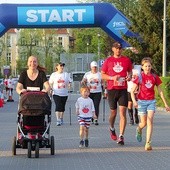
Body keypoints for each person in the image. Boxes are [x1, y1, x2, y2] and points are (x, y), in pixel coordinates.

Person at [131, 57, 170, 151]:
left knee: (150, 121)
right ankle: (139, 129)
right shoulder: (140, 77)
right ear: (142, 67)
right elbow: (132, 91)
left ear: (151, 66)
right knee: (143, 123)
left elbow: (160, 91)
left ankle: (148, 142)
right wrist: (134, 101)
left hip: (151, 101)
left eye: (149, 66)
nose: (148, 68)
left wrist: (166, 104)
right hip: (141, 101)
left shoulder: (154, 76)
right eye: (146, 66)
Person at [101, 42, 132, 145]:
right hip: (112, 89)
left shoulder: (126, 60)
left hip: (123, 89)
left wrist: (129, 76)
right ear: (113, 49)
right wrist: (112, 78)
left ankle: (121, 136)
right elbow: (102, 75)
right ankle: (112, 127)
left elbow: (130, 72)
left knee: (122, 112)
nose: (118, 50)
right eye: (116, 48)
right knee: (113, 113)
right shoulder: (108, 60)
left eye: (120, 48)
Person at [16, 55, 51, 126]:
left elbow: (47, 86)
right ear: (27, 63)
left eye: (34, 61)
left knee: (41, 115)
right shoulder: (24, 74)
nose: (32, 63)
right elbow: (18, 87)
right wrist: (20, 91)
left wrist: (46, 90)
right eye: (30, 61)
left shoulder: (41, 74)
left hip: (39, 103)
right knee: (25, 116)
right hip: (27, 103)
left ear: (37, 63)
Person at [49, 62, 72, 126]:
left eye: (63, 66)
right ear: (57, 67)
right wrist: (50, 88)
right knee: (58, 105)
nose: (62, 67)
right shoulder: (54, 75)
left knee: (62, 107)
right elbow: (50, 83)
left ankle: (61, 118)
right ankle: (58, 119)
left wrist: (70, 85)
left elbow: (70, 81)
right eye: (60, 66)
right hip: (56, 93)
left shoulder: (66, 74)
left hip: (64, 93)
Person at [81, 61, 103, 125]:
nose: (94, 68)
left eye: (95, 67)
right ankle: (90, 118)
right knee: (89, 105)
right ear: (91, 67)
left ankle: (95, 119)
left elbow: (103, 82)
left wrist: (105, 88)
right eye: (93, 67)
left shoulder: (99, 74)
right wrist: (83, 83)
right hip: (89, 92)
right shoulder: (87, 74)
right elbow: (83, 81)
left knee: (96, 105)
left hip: (97, 92)